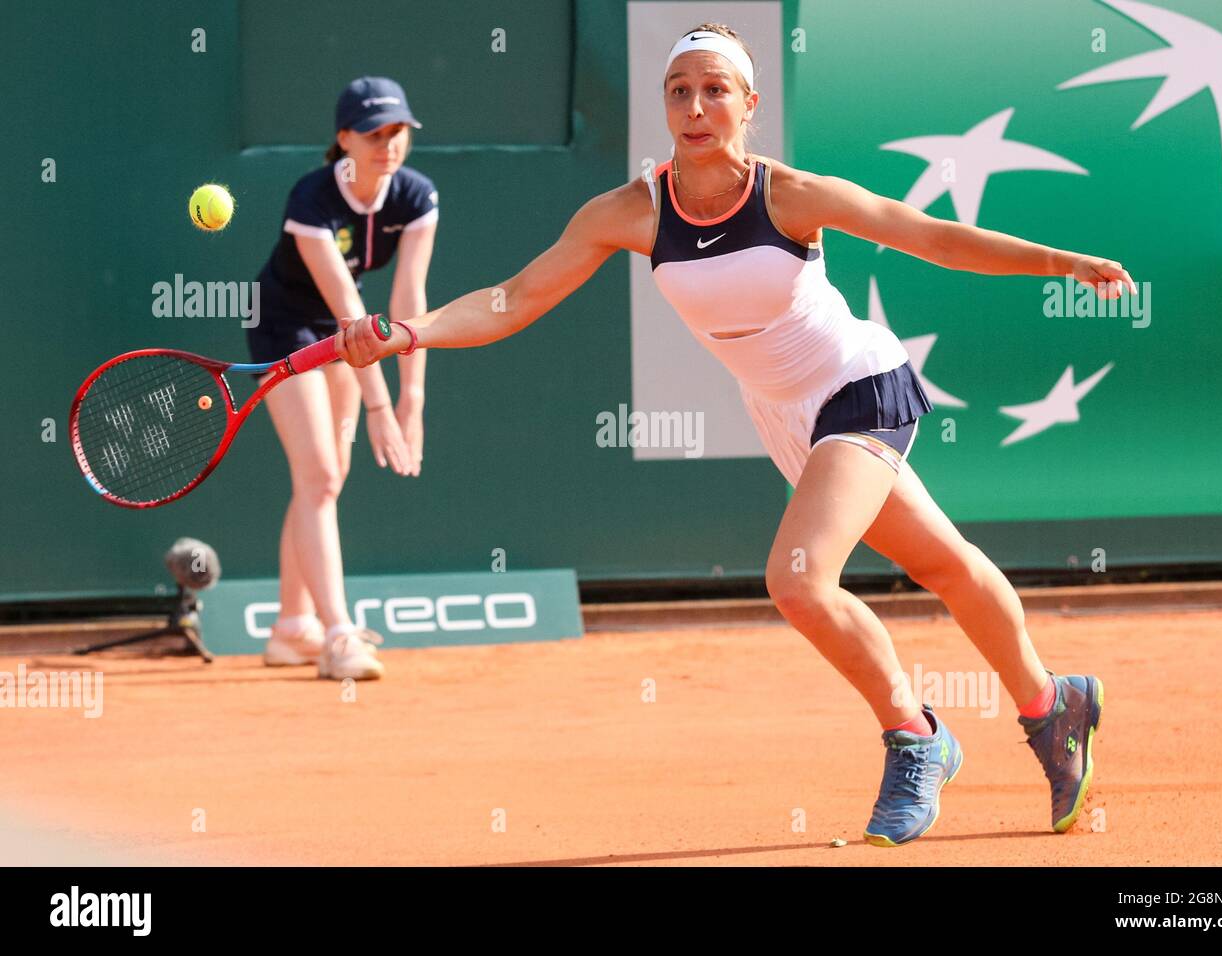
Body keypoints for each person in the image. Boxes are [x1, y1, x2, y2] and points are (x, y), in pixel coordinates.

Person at [337, 25, 1126, 842]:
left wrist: (1058, 262)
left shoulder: (791, 195)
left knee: (798, 580)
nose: (695, 106)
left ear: (749, 104)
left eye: (715, 89)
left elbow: (927, 235)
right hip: (787, 417)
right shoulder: (629, 212)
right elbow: (514, 298)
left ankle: (915, 736)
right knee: (942, 564)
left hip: (860, 388)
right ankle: (1054, 706)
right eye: (679, 90)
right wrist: (408, 332)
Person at [251, 76, 437, 681]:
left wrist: (414, 400)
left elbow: (409, 302)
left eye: (397, 131)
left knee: (323, 482)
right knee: (322, 475)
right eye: (373, 133)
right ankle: (336, 636)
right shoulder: (311, 200)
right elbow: (349, 314)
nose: (388, 144)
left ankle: (290, 629)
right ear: (344, 139)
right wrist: (380, 409)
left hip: (342, 336)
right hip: (286, 326)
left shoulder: (415, 198)